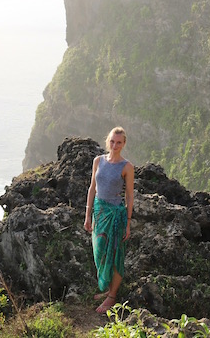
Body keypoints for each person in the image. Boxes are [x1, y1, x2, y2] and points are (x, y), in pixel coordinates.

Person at [83, 127, 135, 313]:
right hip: (99, 212)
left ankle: (112, 296)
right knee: (100, 253)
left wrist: (128, 222)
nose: (115, 145)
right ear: (108, 141)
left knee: (115, 255)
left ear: (124, 144)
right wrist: (88, 215)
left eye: (119, 142)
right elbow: (92, 188)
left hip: (115, 216)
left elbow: (129, 196)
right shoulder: (98, 161)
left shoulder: (126, 167)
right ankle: (108, 290)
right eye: (112, 141)